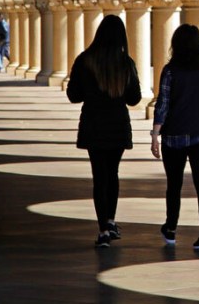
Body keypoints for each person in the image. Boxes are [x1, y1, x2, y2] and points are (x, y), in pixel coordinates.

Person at [66, 15, 142, 248]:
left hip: (94, 124)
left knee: (99, 177)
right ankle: (111, 220)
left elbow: (73, 95)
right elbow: (134, 98)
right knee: (113, 173)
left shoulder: (85, 60)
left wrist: (91, 92)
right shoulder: (125, 63)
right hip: (117, 125)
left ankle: (102, 230)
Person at [150, 24, 199, 251]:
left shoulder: (170, 71)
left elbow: (163, 103)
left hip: (174, 135)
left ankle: (171, 228)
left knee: (174, 184)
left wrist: (155, 134)